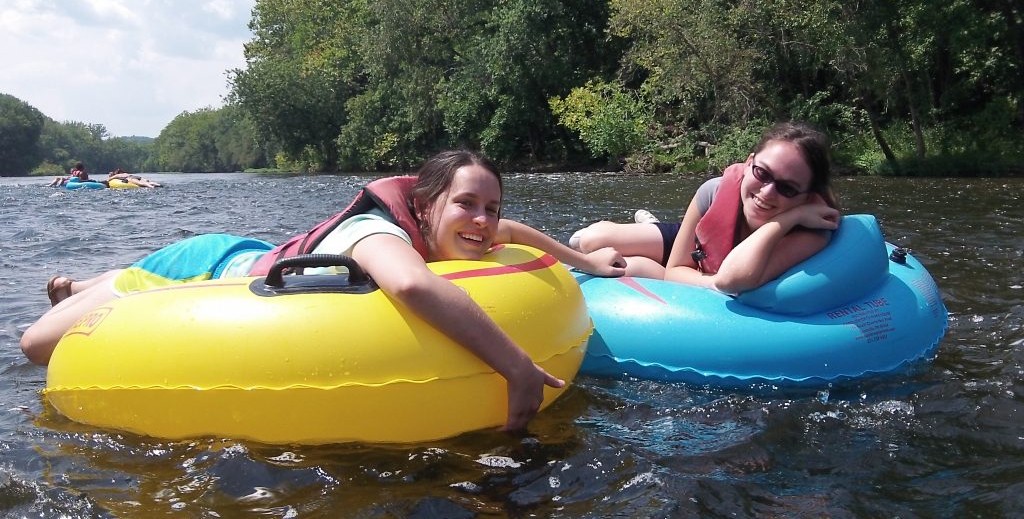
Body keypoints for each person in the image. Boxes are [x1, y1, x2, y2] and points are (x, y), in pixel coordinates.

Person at [24, 150, 626, 431]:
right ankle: (86, 286)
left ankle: (81, 283)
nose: (482, 220)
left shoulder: (477, 230)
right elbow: (411, 284)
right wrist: (516, 366)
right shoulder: (374, 229)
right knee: (36, 345)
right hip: (202, 269)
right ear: (424, 205)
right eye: (465, 204)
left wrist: (587, 262)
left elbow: (517, 232)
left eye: (490, 207)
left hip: (250, 250)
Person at [569, 121, 841, 293]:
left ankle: (650, 233)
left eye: (788, 188)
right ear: (748, 163)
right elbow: (679, 269)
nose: (767, 193)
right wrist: (709, 281)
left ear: (807, 197)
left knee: (634, 268)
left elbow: (730, 280)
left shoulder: (811, 230)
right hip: (701, 250)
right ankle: (651, 226)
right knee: (591, 241)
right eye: (762, 173)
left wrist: (787, 219)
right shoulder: (714, 191)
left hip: (711, 266)